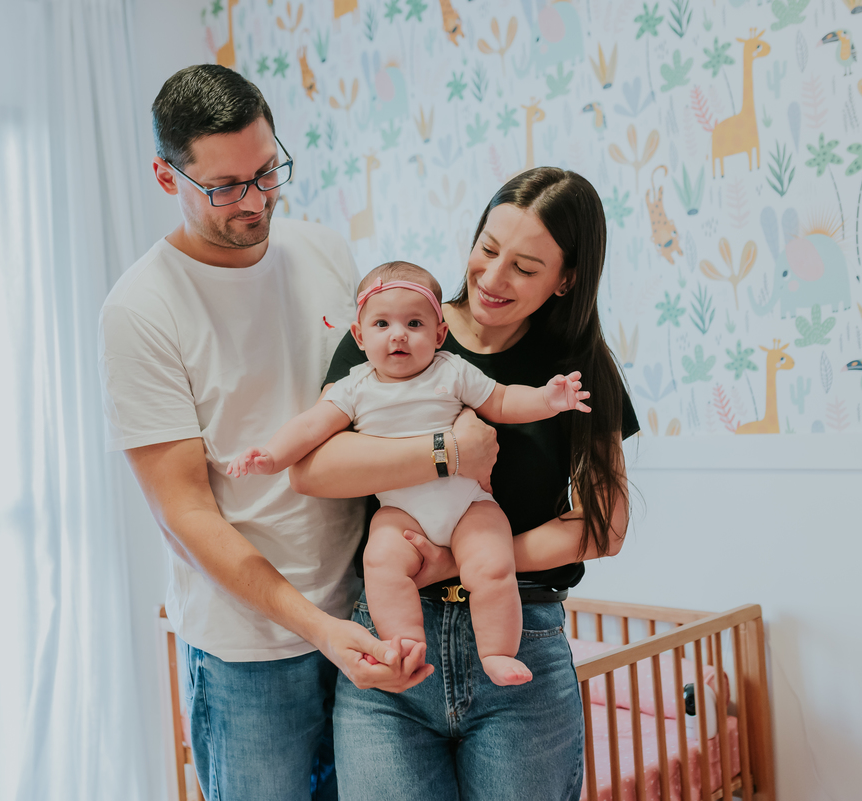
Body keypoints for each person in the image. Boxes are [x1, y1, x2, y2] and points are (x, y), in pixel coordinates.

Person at [98, 65, 487, 799]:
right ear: (163, 175)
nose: (255, 199)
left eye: (267, 170)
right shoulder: (141, 310)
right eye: (225, 187)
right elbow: (184, 514)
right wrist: (315, 626)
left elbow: (376, 400)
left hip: (366, 613)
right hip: (250, 651)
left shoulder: (324, 251)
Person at [289, 167, 641, 800]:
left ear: (567, 280)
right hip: (394, 640)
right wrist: (446, 453)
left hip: (521, 640)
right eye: (486, 248)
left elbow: (603, 527)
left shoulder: (576, 369)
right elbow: (315, 468)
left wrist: (450, 564)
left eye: (526, 268)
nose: (492, 277)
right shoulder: (395, 326)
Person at [227, 260, 592, 686]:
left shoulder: (452, 371)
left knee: (492, 566)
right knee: (381, 562)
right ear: (359, 336)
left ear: (439, 335)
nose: (398, 334)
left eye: (414, 323)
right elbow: (310, 427)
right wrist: (271, 456)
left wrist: (548, 401)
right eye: (382, 323)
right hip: (400, 511)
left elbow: (505, 401)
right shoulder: (354, 387)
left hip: (469, 504)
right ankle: (404, 646)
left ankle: (496, 652)